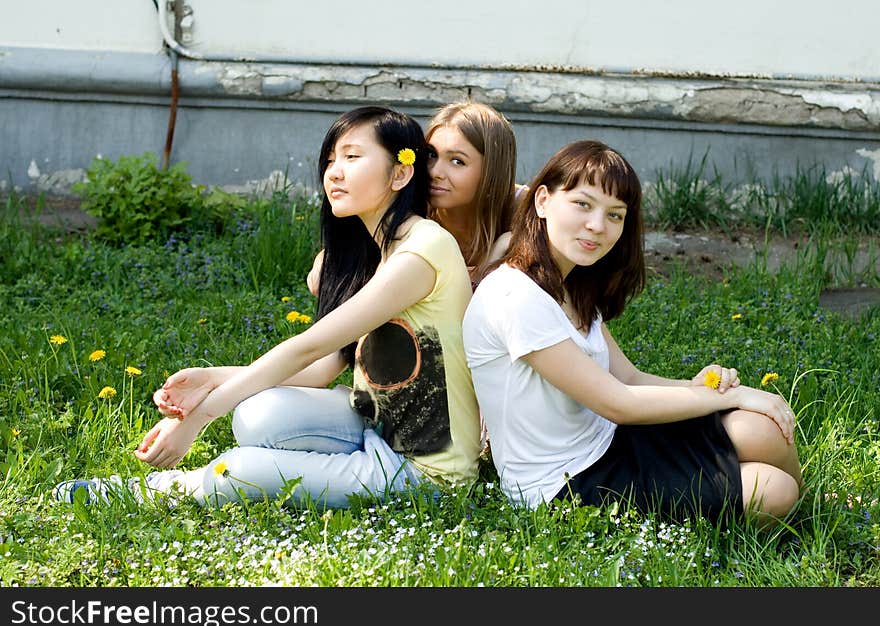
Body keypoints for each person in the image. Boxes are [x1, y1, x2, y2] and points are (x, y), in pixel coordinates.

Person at [54, 106, 482, 509]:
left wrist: (199, 417)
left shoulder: (421, 253)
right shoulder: (378, 254)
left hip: (423, 470)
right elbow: (323, 368)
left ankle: (151, 490)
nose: (335, 172)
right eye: (331, 159)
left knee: (238, 473)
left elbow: (307, 349)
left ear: (401, 173)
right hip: (374, 424)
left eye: (353, 156)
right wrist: (211, 380)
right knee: (259, 413)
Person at [462, 140, 803, 527]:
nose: (597, 226)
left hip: (611, 440)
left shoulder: (569, 284)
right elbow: (617, 401)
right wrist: (730, 396)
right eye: (583, 204)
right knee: (773, 490)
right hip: (564, 484)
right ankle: (801, 515)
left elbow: (628, 377)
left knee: (763, 429)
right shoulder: (515, 296)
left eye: (615, 215)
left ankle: (814, 511)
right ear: (542, 201)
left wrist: (704, 389)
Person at [306, 100, 522, 294]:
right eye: (431, 155)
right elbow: (360, 244)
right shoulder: (414, 209)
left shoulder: (525, 210)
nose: (435, 171)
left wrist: (499, 251)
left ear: (493, 171)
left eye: (457, 161)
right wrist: (324, 259)